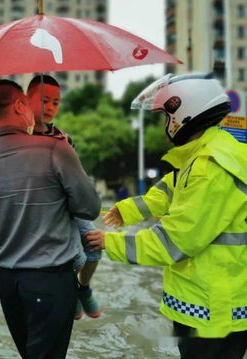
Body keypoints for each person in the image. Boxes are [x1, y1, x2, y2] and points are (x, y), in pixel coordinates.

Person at [86, 73, 247, 359]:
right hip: (216, 300)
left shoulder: (211, 166)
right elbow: (170, 192)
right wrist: (127, 210)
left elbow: (174, 241)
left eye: (165, 116)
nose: (165, 125)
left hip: (214, 310)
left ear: (183, 114)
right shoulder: (206, 153)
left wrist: (109, 243)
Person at [0, 79, 101, 359]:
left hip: (8, 281)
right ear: (20, 106)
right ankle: (84, 290)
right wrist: (71, 160)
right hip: (50, 280)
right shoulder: (55, 149)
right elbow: (89, 207)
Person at [27, 74, 102, 320]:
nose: (50, 108)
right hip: (44, 212)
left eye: (55, 103)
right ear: (27, 101)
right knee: (72, 257)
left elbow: (75, 178)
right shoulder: (20, 140)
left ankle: (83, 288)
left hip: (69, 205)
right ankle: (72, 290)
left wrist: (66, 149)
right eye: (44, 101)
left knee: (94, 247)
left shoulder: (63, 137)